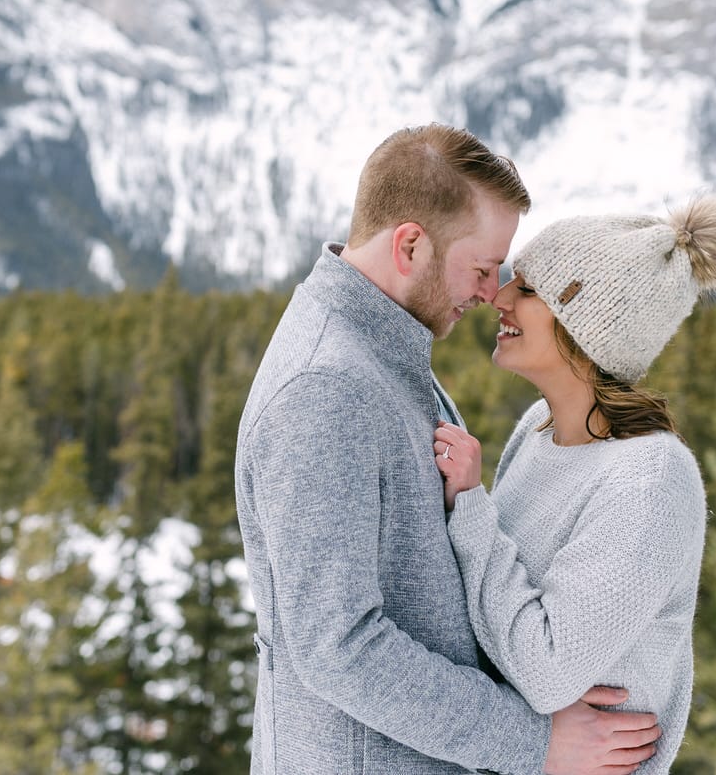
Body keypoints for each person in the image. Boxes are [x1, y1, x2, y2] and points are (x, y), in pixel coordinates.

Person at [235, 124, 663, 774]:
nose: (493, 293)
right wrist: (534, 742)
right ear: (410, 244)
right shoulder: (326, 391)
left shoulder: (385, 351)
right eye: (483, 268)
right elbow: (340, 648)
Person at [432, 192, 716, 773]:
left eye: (527, 290)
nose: (499, 298)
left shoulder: (651, 480)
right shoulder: (539, 429)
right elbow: (503, 627)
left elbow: (546, 670)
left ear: (587, 324)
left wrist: (471, 511)